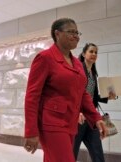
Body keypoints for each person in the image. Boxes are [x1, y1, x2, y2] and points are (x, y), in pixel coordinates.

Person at [23, 18, 107, 162]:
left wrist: (96, 117)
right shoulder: (45, 58)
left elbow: (83, 93)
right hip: (52, 123)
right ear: (57, 34)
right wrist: (31, 131)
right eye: (71, 32)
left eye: (77, 32)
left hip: (71, 124)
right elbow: (32, 96)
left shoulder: (77, 64)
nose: (76, 36)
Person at [73, 43, 117, 162]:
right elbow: (73, 93)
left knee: (98, 154)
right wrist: (78, 111)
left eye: (96, 52)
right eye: (91, 51)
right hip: (78, 119)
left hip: (91, 118)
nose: (94, 54)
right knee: (71, 154)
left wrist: (108, 97)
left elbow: (91, 96)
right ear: (83, 54)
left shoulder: (93, 72)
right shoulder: (78, 69)